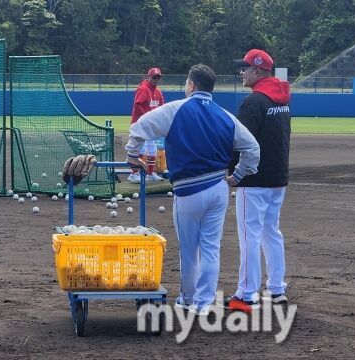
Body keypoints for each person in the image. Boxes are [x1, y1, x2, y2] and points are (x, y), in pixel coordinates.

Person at [64, 64, 260, 315]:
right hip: (218, 187)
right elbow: (252, 149)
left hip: (189, 190)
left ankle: (188, 299)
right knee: (211, 248)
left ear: (191, 85)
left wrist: (133, 155)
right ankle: (203, 304)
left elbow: (140, 126)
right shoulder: (225, 116)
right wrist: (239, 175)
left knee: (190, 250)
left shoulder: (176, 109)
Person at [225, 49, 291, 312]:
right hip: (277, 178)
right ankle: (276, 289)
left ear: (259, 71)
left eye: (246, 68)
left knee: (249, 236)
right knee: (271, 232)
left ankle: (246, 293)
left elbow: (239, 142)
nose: (242, 72)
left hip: (253, 181)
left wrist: (231, 171)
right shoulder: (282, 99)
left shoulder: (254, 102)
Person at [127, 67, 166, 183]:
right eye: (154, 77)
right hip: (139, 125)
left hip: (150, 126)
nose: (156, 80)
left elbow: (162, 107)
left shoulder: (158, 92)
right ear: (148, 77)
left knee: (152, 149)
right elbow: (137, 105)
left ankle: (150, 174)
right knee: (141, 149)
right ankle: (134, 174)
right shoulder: (143, 89)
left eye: (158, 77)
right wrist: (147, 118)